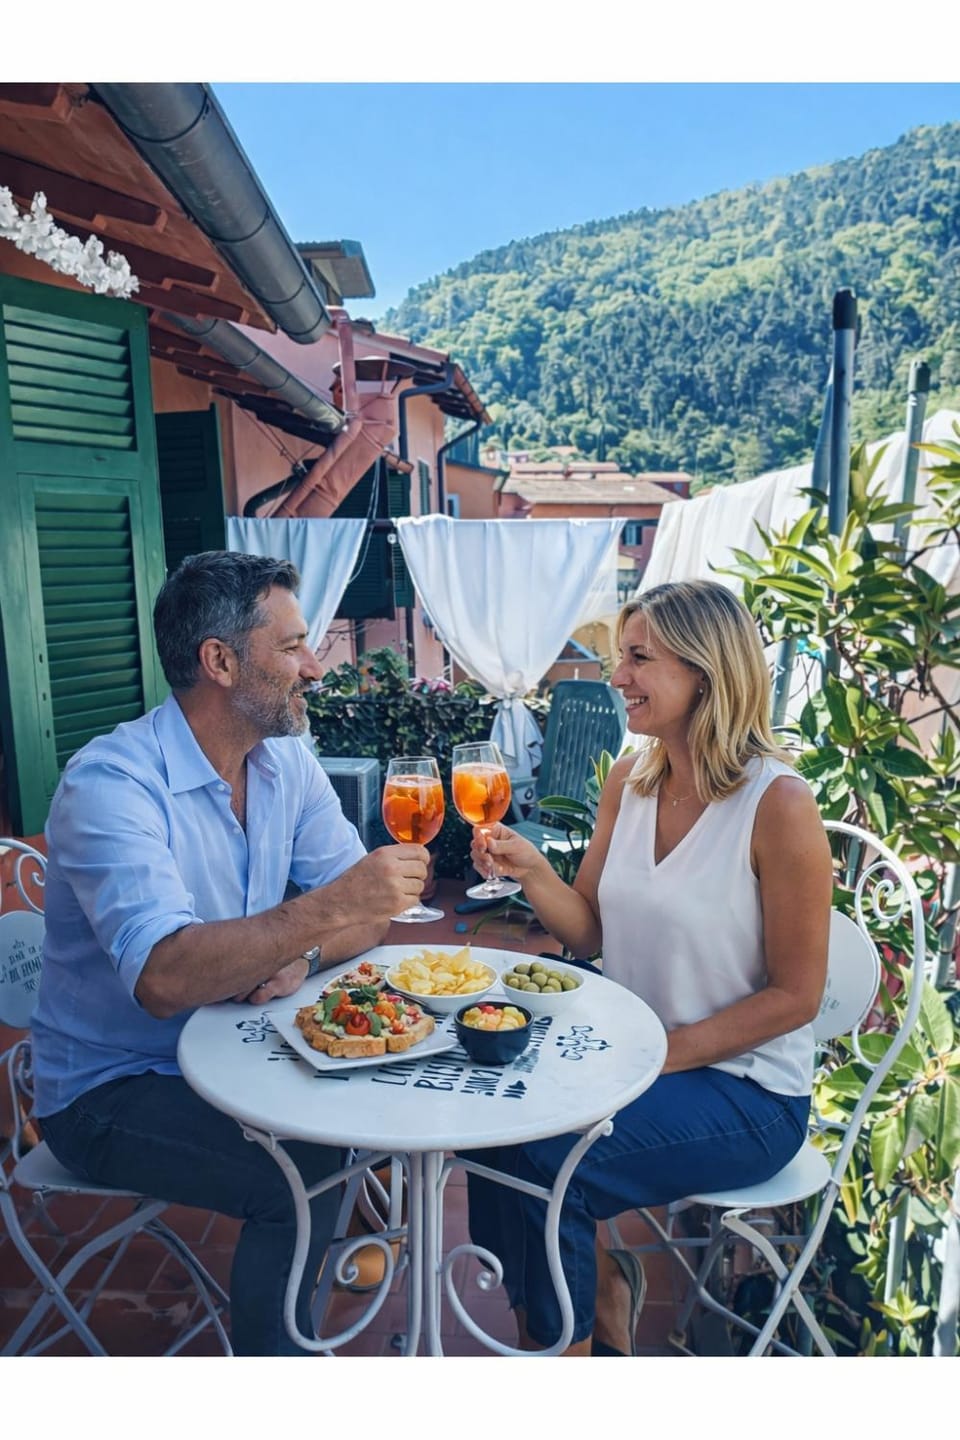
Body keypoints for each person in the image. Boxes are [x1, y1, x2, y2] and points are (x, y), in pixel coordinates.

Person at [31, 550, 429, 1356]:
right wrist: (331, 909)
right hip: (114, 1085)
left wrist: (307, 958)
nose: (315, 667)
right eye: (291, 647)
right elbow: (166, 977)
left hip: (238, 1050)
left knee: (376, 1100)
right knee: (302, 1172)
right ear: (219, 662)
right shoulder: (111, 784)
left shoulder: (283, 761)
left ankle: (314, 1283)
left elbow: (372, 918)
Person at [464, 579, 833, 1355]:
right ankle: (576, 1307)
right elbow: (590, 930)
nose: (618, 676)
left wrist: (658, 1054)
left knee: (548, 1159)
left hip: (746, 1090)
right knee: (487, 1122)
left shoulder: (779, 805)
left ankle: (567, 1351)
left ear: (704, 672)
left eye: (639, 658)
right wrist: (532, 870)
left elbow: (797, 997)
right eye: (619, 656)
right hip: (636, 1061)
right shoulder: (628, 781)